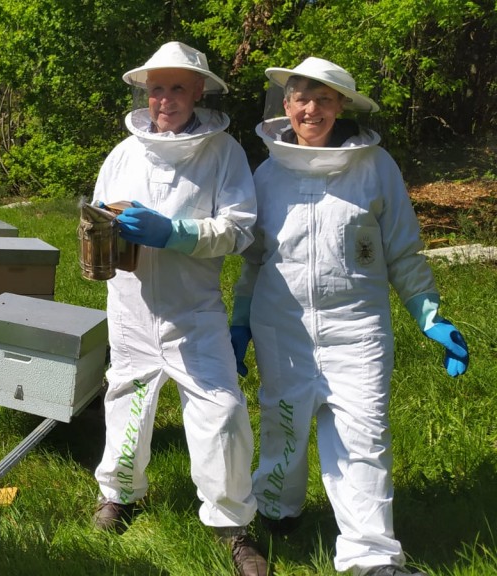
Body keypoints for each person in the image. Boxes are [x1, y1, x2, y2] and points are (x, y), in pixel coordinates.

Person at [230, 57, 470, 576]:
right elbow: (254, 260)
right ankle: (278, 508)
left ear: (341, 106)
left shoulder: (375, 167)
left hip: (358, 328)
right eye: (301, 98)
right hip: (282, 326)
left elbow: (403, 249)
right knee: (283, 424)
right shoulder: (266, 174)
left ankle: (372, 557)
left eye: (324, 99)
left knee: (365, 435)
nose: (311, 109)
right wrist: (240, 322)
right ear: (286, 105)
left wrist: (429, 315)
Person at [90, 41, 267, 576]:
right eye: (157, 88)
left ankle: (231, 525)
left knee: (223, 411)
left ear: (198, 92)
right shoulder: (123, 153)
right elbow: (97, 215)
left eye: (177, 88)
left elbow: (239, 230)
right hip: (131, 306)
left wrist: (175, 233)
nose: (164, 98)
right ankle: (119, 493)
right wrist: (101, 235)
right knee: (126, 399)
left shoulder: (223, 153)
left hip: (195, 311)